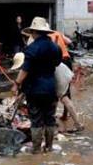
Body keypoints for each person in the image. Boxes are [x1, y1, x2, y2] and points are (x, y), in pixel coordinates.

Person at [12, 17, 62, 153]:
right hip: (51, 88)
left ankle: (36, 150)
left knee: (36, 120)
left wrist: (16, 84)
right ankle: (49, 147)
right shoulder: (55, 47)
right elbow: (57, 64)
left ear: (34, 32)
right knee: (50, 119)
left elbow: (25, 70)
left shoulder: (32, 48)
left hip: (34, 90)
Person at [11, 52, 84, 134]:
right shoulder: (34, 59)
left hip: (58, 75)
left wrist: (20, 95)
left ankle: (77, 125)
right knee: (57, 98)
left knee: (64, 98)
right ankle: (54, 123)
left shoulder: (31, 65)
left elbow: (28, 84)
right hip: (61, 71)